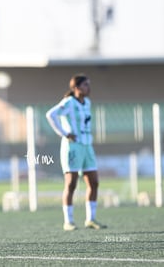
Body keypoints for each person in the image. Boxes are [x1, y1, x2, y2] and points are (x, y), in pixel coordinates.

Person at [46, 73, 107, 231]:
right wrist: (65, 134)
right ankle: (68, 221)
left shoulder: (87, 102)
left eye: (89, 84)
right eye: (86, 84)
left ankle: (91, 219)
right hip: (73, 147)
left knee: (94, 182)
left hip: (88, 147)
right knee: (71, 184)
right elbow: (50, 115)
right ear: (76, 87)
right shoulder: (69, 102)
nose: (89, 87)